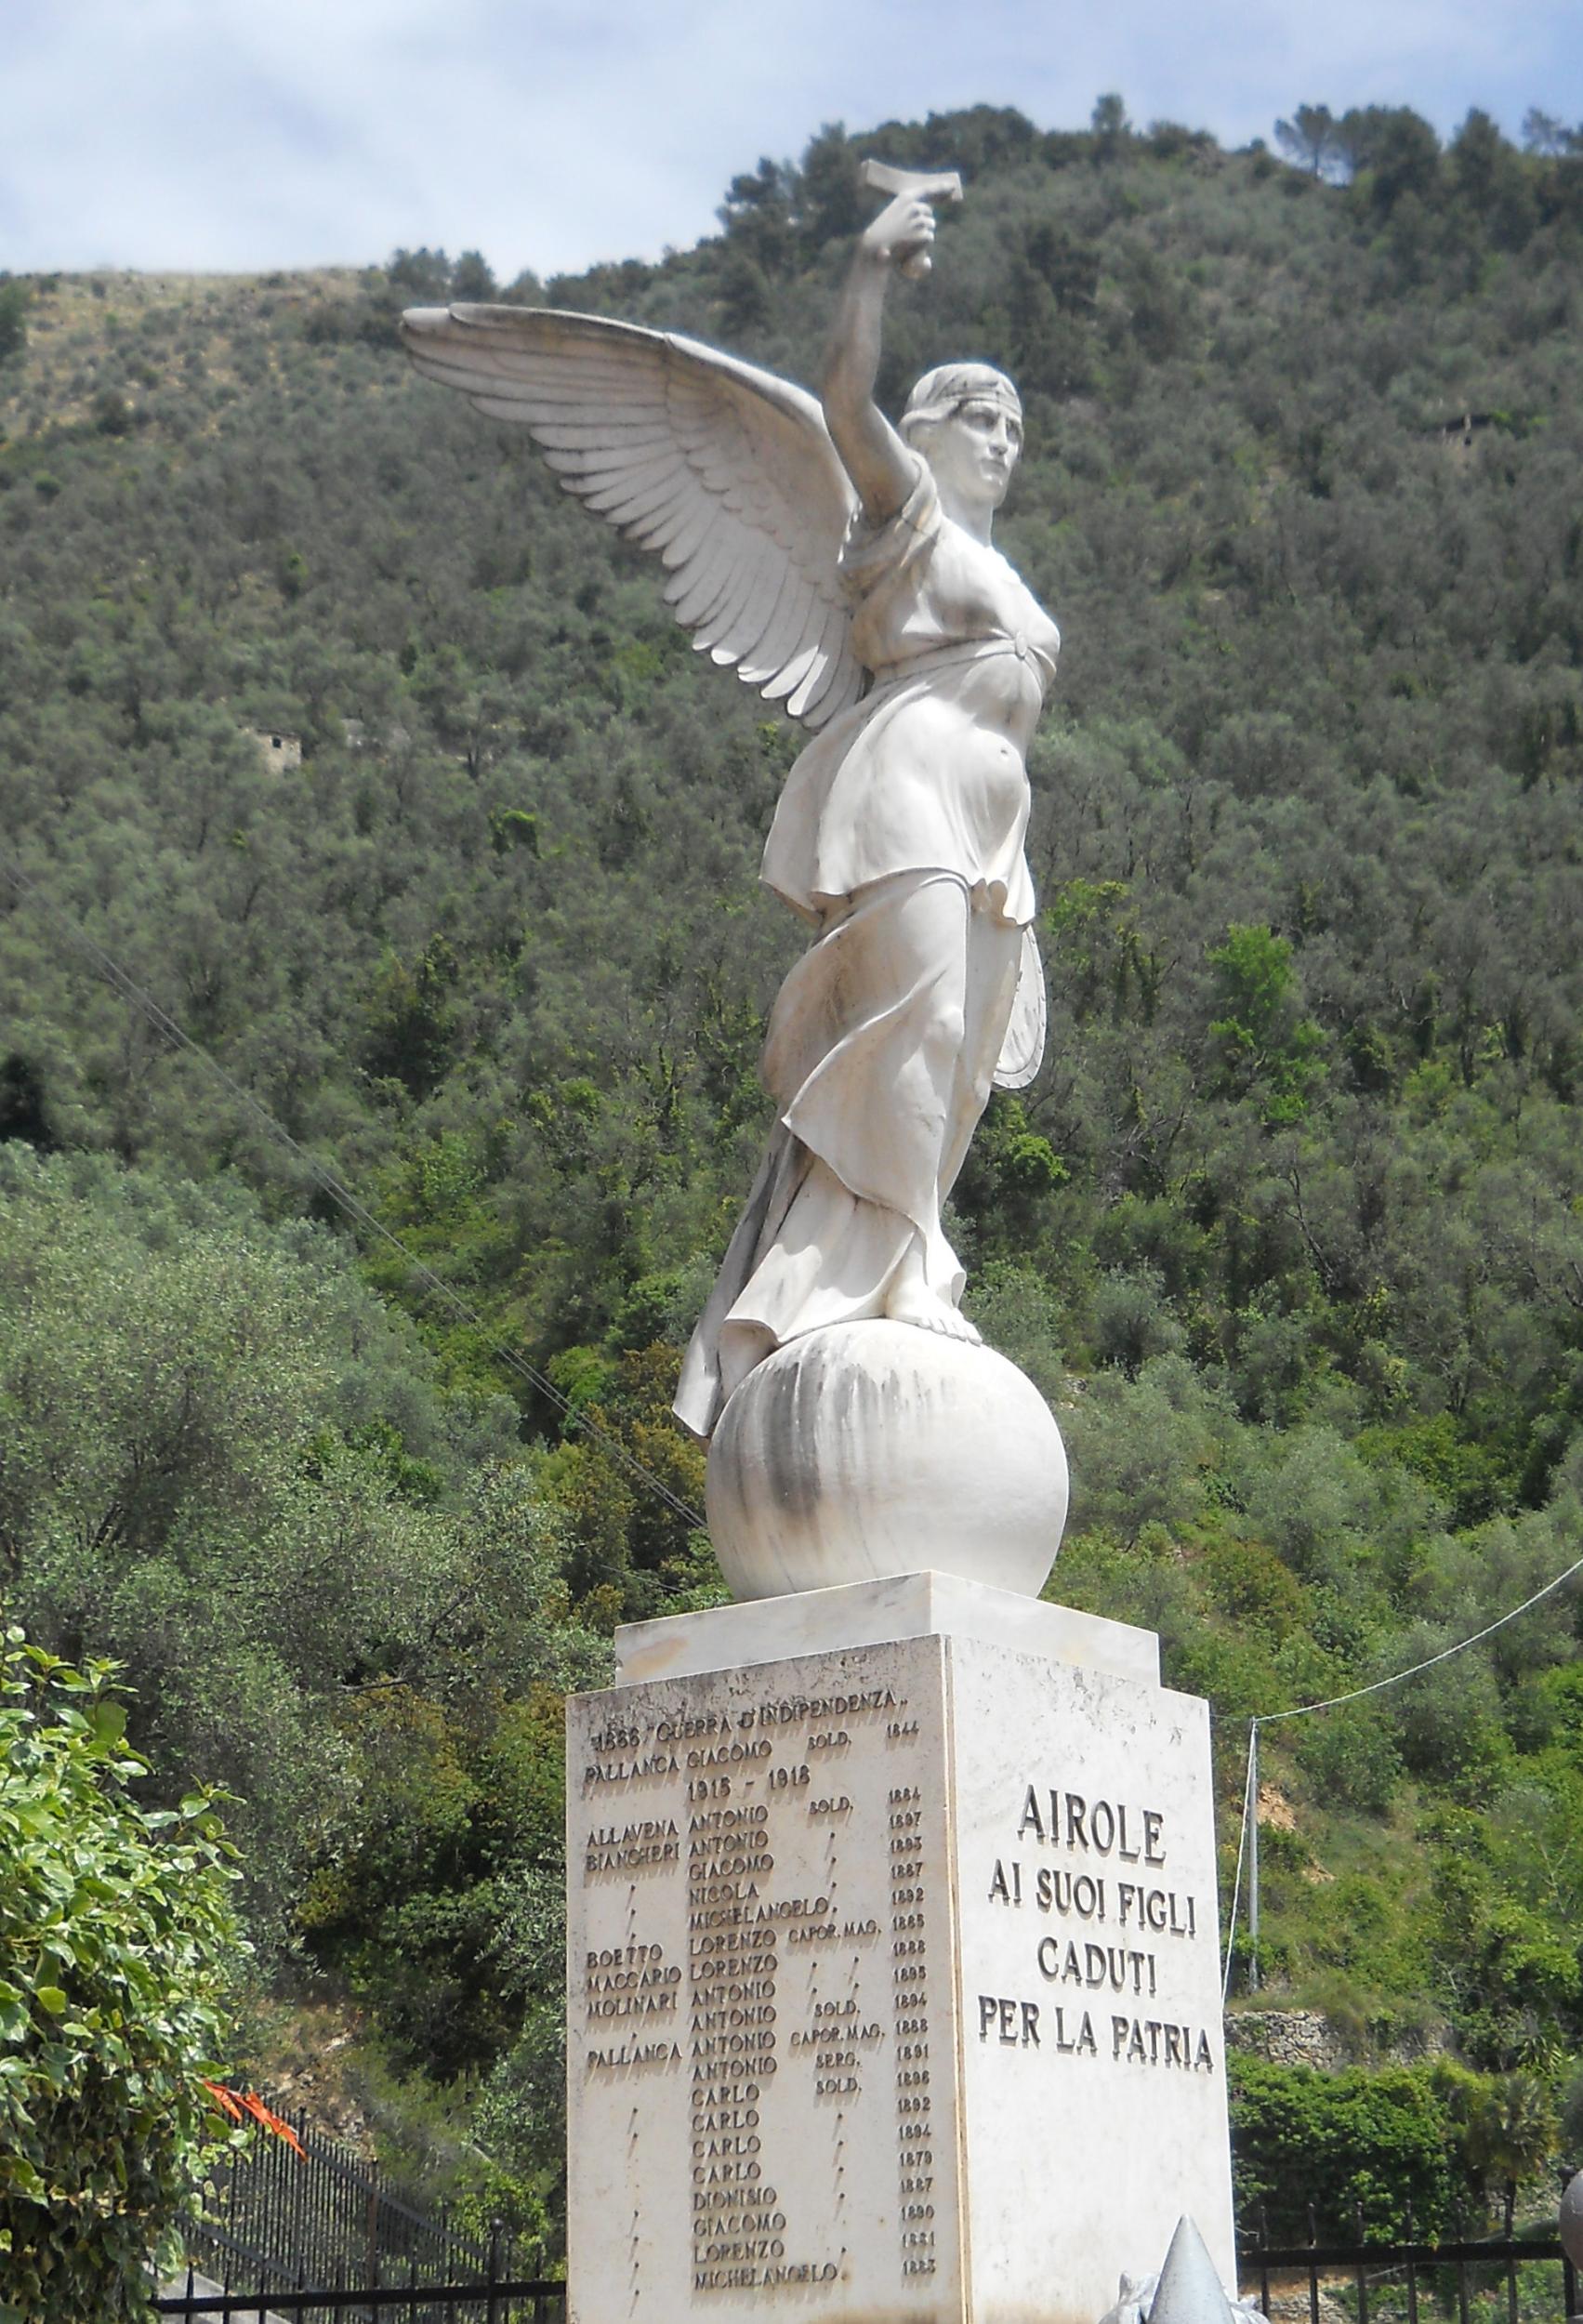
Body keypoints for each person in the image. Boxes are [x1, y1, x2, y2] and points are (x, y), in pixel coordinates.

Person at [673, 191, 1061, 1440]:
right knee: (921, 1024)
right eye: (978, 417)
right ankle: (909, 1265)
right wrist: (869, 271)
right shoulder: (908, 518)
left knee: (962, 1071)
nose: (1002, 439)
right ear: (928, 433)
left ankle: (888, 1250)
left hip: (994, 833)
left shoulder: (1005, 573)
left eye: (1016, 424)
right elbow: (842, 400)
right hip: (910, 795)